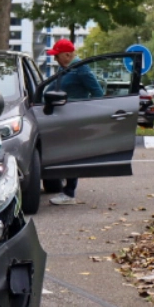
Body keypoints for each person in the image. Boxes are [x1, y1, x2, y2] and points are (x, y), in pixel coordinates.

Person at [44, 38, 103, 205]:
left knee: (70, 155)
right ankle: (67, 191)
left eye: (57, 55)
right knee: (65, 154)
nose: (55, 59)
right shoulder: (67, 69)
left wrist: (85, 111)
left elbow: (98, 93)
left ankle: (69, 194)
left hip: (74, 118)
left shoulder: (81, 69)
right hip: (63, 118)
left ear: (68, 54)